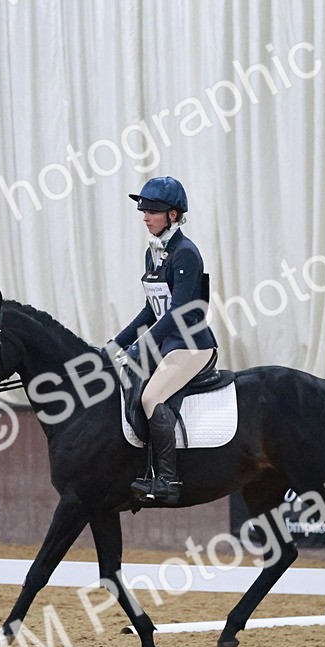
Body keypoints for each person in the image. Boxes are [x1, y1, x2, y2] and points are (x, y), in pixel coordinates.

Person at [108, 176, 218, 505]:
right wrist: (116, 344)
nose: (144, 216)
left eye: (152, 210)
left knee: (151, 397)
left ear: (172, 215)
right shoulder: (153, 253)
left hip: (192, 345)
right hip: (169, 343)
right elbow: (150, 310)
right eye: (143, 210)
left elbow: (179, 312)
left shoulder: (186, 253)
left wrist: (140, 347)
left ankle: (168, 480)